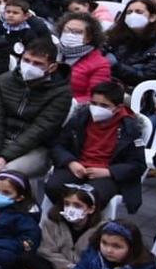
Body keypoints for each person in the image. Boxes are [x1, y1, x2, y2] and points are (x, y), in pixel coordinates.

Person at [0, 36, 69, 185]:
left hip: (36, 149)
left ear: (52, 67)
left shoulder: (61, 93)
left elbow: (40, 130)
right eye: (26, 60)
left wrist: (4, 158)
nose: (29, 66)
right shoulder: (3, 81)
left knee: (2, 177)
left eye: (37, 63)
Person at [48, 80, 147, 215]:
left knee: (90, 197)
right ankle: (63, 219)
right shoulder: (80, 117)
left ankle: (86, 227)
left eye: (104, 106)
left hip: (106, 174)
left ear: (117, 108)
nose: (97, 108)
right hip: (78, 167)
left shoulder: (130, 128)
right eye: (93, 103)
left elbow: (138, 165)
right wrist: (71, 162)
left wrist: (109, 172)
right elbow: (58, 145)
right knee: (54, 186)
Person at [26, 182, 105, 269]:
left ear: (90, 209)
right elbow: (47, 251)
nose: (70, 209)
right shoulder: (51, 222)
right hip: (56, 265)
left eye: (77, 205)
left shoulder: (101, 229)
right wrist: (67, 267)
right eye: (67, 204)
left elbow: (94, 258)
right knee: (28, 257)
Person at [56, 13, 111, 104]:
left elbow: (95, 98)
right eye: (66, 31)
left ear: (89, 38)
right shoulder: (51, 51)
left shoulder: (100, 64)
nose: (69, 35)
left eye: (77, 32)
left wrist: (69, 103)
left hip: (73, 107)